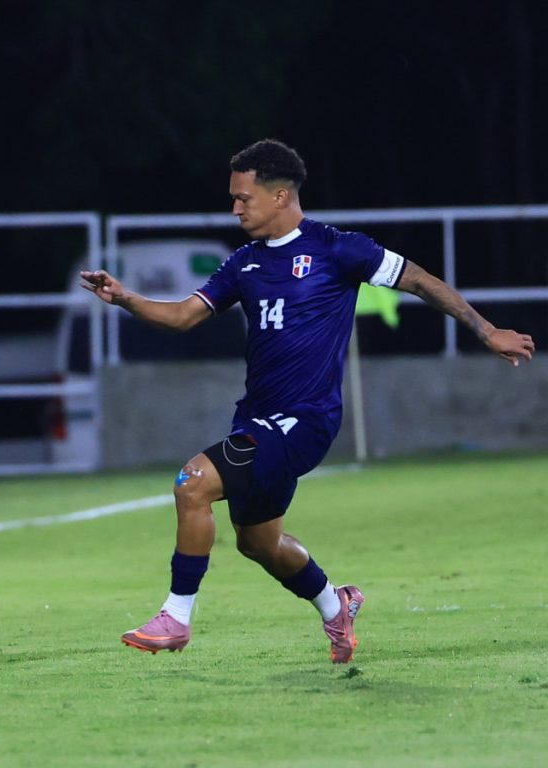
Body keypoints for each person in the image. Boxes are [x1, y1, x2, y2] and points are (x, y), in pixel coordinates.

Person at [81, 139, 535, 663]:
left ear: (279, 196)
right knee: (258, 543)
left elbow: (421, 281)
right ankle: (335, 605)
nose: (234, 208)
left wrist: (485, 330)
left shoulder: (338, 248)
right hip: (254, 417)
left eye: (242, 198)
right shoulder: (243, 264)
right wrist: (126, 298)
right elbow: (185, 315)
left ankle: (176, 616)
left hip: (306, 419)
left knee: (192, 483)